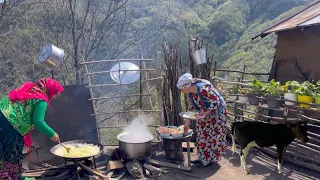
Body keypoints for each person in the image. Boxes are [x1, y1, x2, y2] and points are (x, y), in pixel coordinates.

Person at [0, 78, 64, 179]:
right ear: (50, 90)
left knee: (2, 151)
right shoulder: (41, 99)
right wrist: (52, 133)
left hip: (1, 114)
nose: (55, 96)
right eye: (55, 93)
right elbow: (38, 121)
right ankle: (13, 177)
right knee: (12, 154)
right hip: (10, 124)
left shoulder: (30, 88)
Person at [177, 73, 227, 167]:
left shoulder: (203, 88)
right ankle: (203, 158)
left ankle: (209, 160)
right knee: (201, 135)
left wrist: (206, 113)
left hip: (217, 113)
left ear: (187, 86)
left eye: (182, 89)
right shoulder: (190, 94)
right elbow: (192, 107)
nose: (182, 92)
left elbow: (216, 101)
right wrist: (187, 123)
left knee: (213, 136)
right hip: (204, 113)